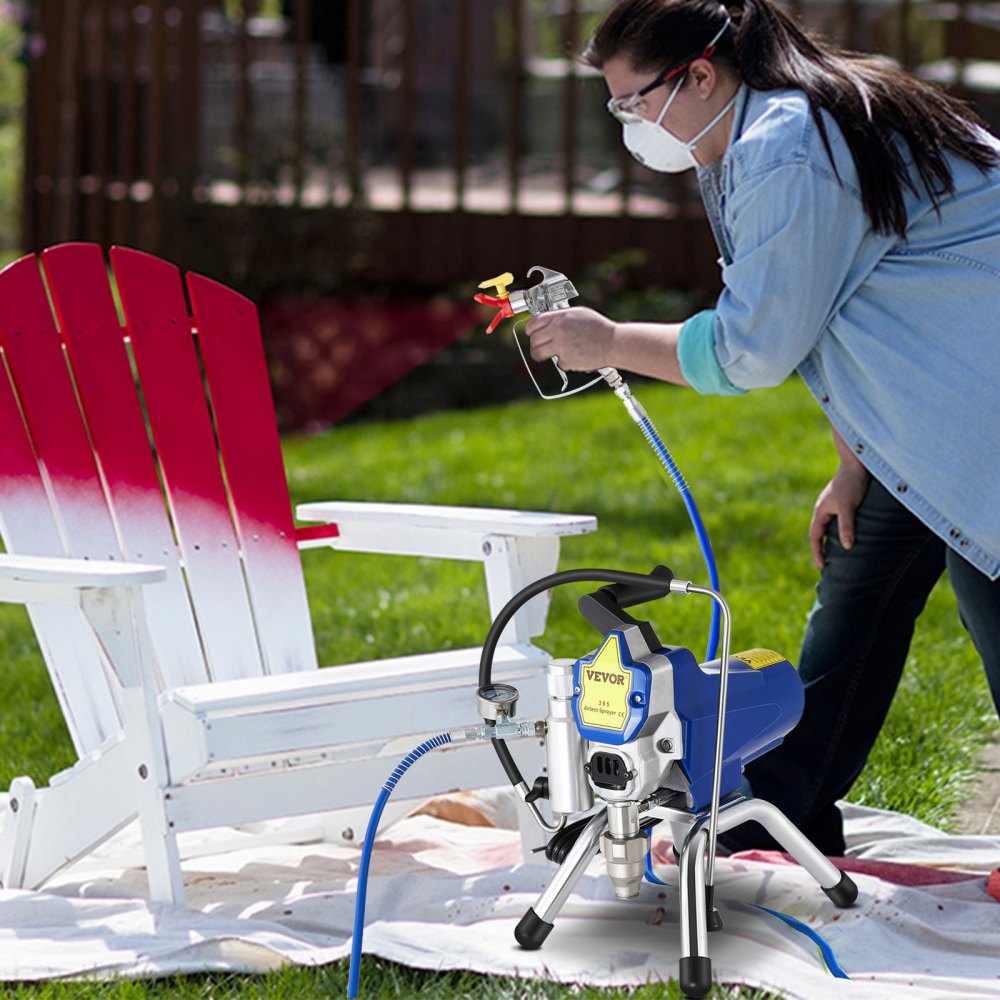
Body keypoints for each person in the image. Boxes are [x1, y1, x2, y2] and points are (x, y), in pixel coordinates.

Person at [525, 0, 1000, 855]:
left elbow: (754, 349)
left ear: (700, 75)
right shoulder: (760, 134)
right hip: (933, 403)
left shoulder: (784, 145)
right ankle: (776, 813)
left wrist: (609, 343)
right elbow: (847, 307)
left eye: (635, 102)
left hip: (977, 400)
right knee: (861, 580)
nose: (631, 125)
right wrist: (856, 461)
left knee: (989, 586)